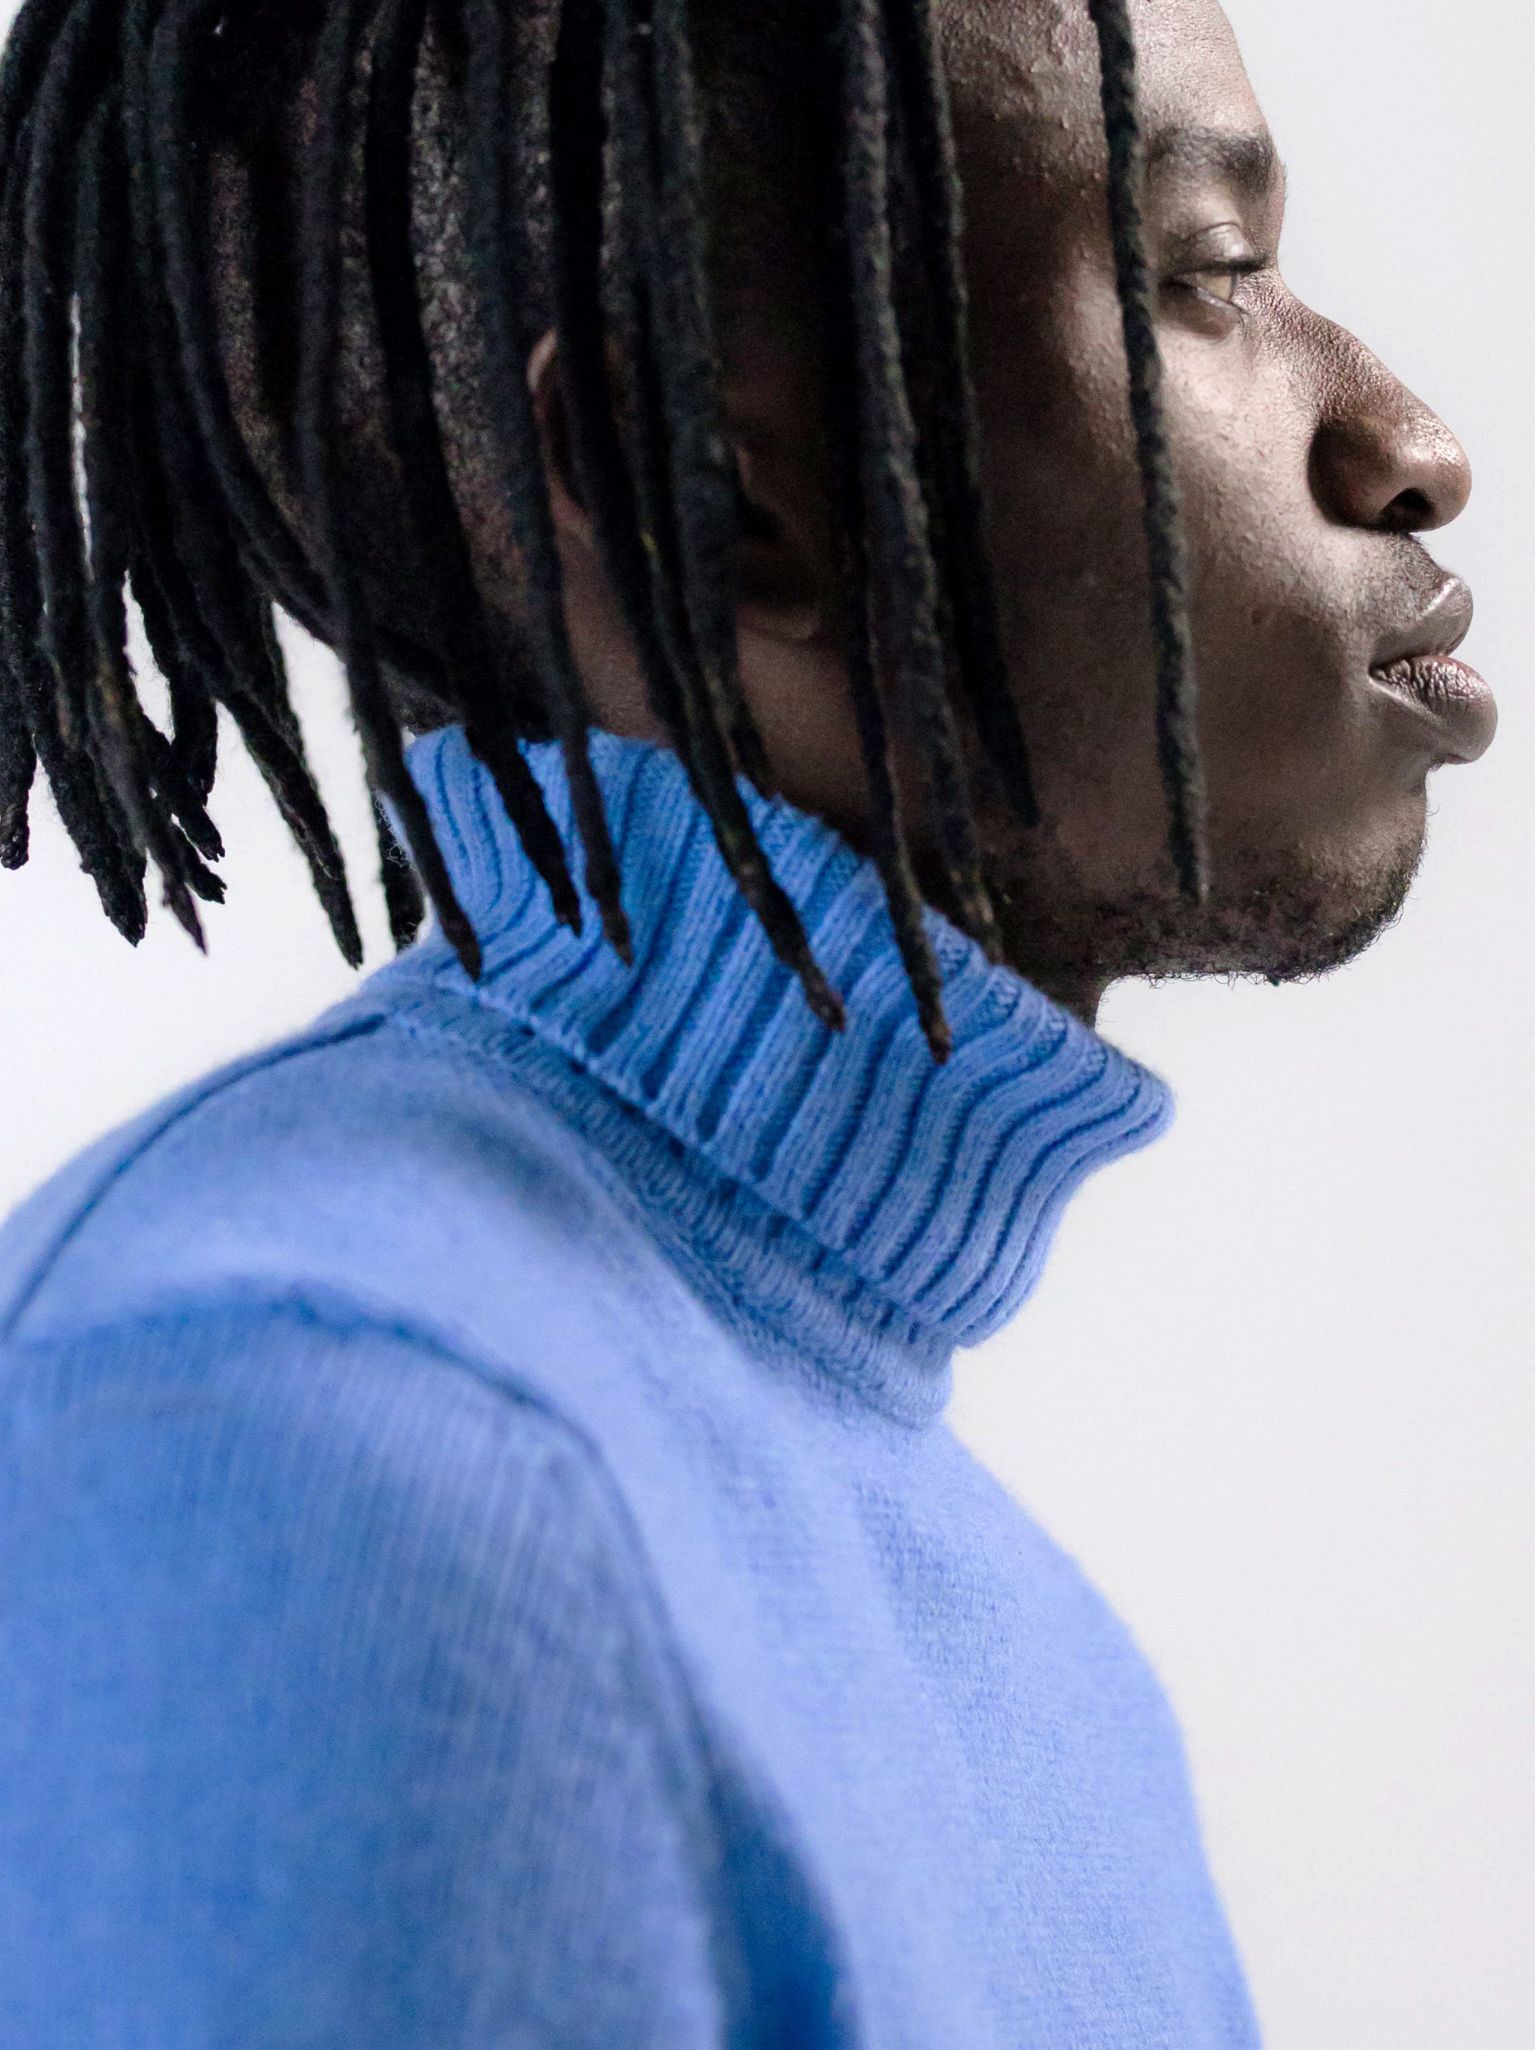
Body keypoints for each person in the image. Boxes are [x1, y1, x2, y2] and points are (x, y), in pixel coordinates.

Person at [0, 0, 1494, 2042]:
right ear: (714, 495)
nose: (1409, 441)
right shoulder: (317, 1437)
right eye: (1207, 273)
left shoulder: (1045, 1668)